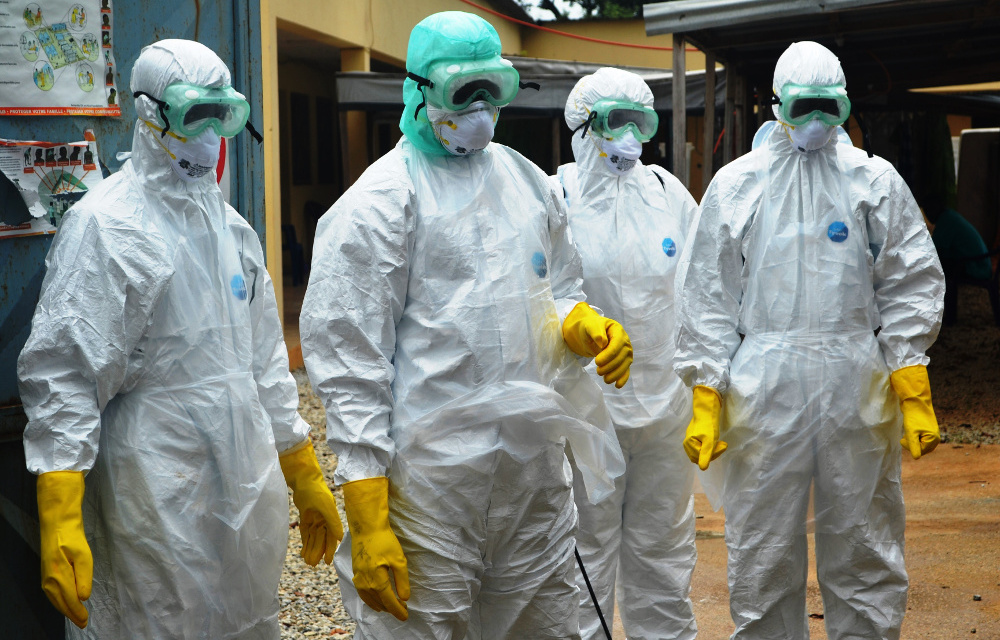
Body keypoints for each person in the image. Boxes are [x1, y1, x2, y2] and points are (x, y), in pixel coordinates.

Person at [300, 11, 630, 640]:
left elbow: (557, 288)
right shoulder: (378, 205)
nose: (481, 109)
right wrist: (368, 517)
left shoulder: (527, 182)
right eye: (463, 92)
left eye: (493, 90)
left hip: (532, 483)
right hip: (429, 496)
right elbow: (352, 370)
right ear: (419, 91)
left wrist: (583, 325)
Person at [18, 39, 342, 639]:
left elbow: (266, 361)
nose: (212, 132)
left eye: (225, 116)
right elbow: (64, 372)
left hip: (242, 480)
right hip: (152, 485)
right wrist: (60, 509)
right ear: (149, 113)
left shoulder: (230, 227)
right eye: (197, 114)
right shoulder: (107, 225)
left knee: (248, 619)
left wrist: (301, 468)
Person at [674, 41, 945, 640]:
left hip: (857, 376)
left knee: (865, 542)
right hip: (764, 381)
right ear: (777, 106)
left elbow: (910, 275)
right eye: (803, 107)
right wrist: (706, 390)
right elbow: (707, 294)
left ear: (846, 105)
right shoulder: (737, 183)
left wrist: (908, 368)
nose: (817, 122)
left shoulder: (873, 178)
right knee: (764, 547)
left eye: (829, 107)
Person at [554, 67, 698, 640]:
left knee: (663, 554)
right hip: (584, 414)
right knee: (580, 560)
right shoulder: (554, 194)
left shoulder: (667, 193)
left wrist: (708, 384)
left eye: (641, 121)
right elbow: (529, 298)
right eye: (618, 121)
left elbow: (703, 289)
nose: (631, 137)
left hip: (665, 411)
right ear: (585, 124)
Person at [923, 193, 992, 281]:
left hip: (977, 268)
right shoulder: (949, 216)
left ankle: (948, 294)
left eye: (929, 209)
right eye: (926, 211)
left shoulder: (946, 221)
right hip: (980, 265)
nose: (928, 214)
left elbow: (933, 251)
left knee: (941, 266)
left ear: (937, 207)